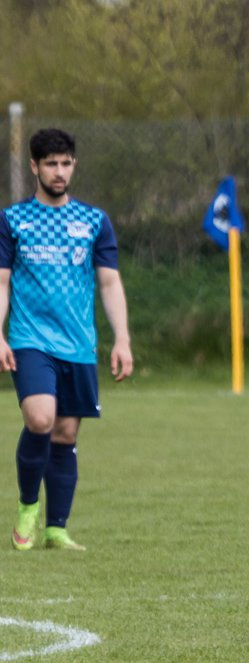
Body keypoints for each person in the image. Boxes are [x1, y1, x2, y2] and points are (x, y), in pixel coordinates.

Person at [0, 128, 133, 551]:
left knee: (65, 434)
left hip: (77, 344)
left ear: (74, 165)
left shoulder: (94, 221)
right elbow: (1, 283)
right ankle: (27, 506)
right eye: (51, 164)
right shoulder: (12, 221)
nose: (59, 172)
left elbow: (109, 283)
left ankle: (57, 528)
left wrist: (122, 339)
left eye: (66, 163)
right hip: (29, 339)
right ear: (34, 167)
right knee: (40, 419)